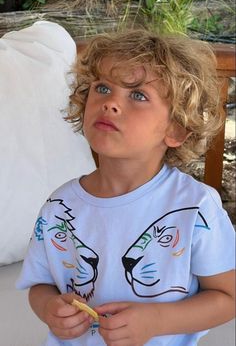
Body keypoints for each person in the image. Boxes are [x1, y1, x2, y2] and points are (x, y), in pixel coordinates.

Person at [16, 29, 235, 346]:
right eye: (102, 88)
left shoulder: (195, 207)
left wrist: (156, 321)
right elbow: (41, 285)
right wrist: (50, 309)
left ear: (175, 129)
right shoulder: (59, 207)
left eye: (138, 95)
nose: (111, 104)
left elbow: (227, 297)